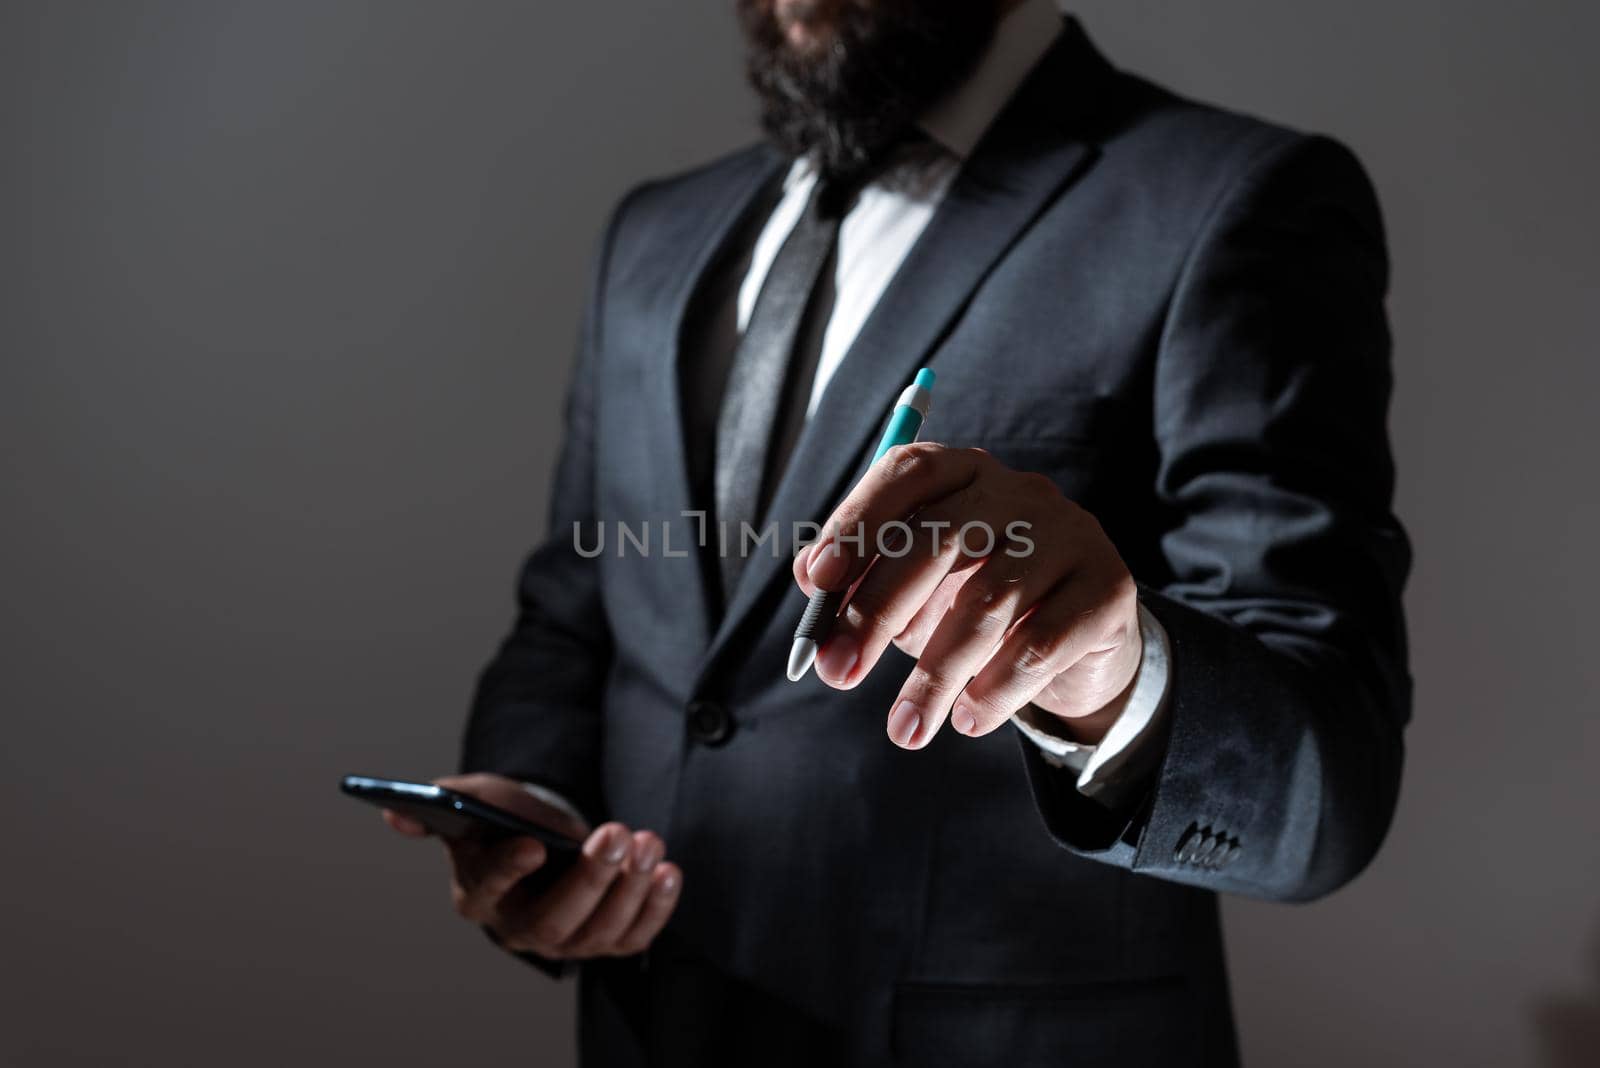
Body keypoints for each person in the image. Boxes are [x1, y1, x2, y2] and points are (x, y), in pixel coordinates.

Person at [383, 1, 1412, 1064]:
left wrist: (1115, 674)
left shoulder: (1232, 197)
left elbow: (1331, 792)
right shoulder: (653, 233)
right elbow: (575, 610)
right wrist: (535, 818)